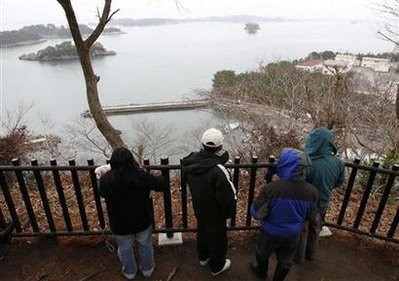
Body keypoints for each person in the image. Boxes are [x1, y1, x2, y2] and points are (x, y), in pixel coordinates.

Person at [97, 147, 167, 280]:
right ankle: (147, 270)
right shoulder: (141, 176)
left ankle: (129, 272)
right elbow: (162, 184)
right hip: (142, 220)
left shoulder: (107, 179)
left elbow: (101, 192)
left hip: (119, 223)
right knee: (145, 244)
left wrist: (102, 175)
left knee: (124, 248)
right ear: (131, 161)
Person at [250, 148, 318, 281]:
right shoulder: (312, 192)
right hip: (293, 233)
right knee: (286, 260)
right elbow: (311, 216)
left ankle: (261, 272)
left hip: (271, 231)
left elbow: (257, 213)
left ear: (285, 166)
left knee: (262, 253)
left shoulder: (273, 188)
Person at [181, 128, 237, 276]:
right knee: (217, 237)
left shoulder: (190, 164)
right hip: (215, 211)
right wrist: (229, 213)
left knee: (203, 230)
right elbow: (227, 195)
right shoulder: (218, 169)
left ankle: (203, 257)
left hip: (199, 206)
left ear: (202, 144)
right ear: (219, 147)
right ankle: (217, 266)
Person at [295, 127, 345, 263]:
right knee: (316, 227)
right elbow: (339, 182)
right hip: (323, 201)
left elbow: (300, 182)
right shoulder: (339, 163)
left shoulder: (308, 162)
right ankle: (311, 255)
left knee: (302, 228)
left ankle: (298, 257)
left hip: (305, 201)